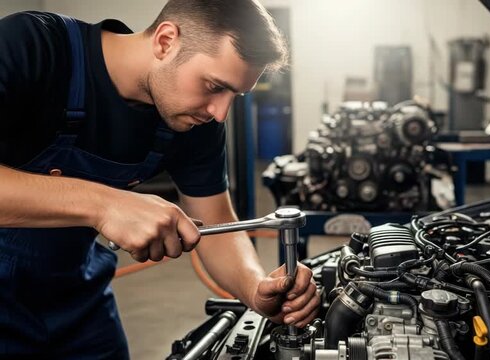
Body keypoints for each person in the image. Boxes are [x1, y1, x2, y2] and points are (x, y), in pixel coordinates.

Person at [0, 0, 319, 358]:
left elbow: (216, 223)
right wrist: (106, 204)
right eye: (215, 86)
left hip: (77, 301)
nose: (220, 113)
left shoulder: (195, 120)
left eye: (235, 96)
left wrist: (256, 287)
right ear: (166, 41)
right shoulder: (32, 46)